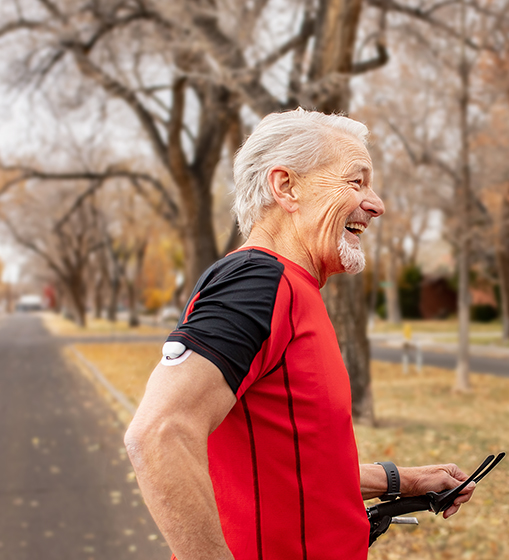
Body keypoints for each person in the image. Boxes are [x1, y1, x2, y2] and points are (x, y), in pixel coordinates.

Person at [125, 109, 475, 560]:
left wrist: (403, 480)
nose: (376, 203)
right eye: (356, 182)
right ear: (286, 186)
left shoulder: (294, 287)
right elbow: (159, 432)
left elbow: (294, 462)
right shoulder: (257, 281)